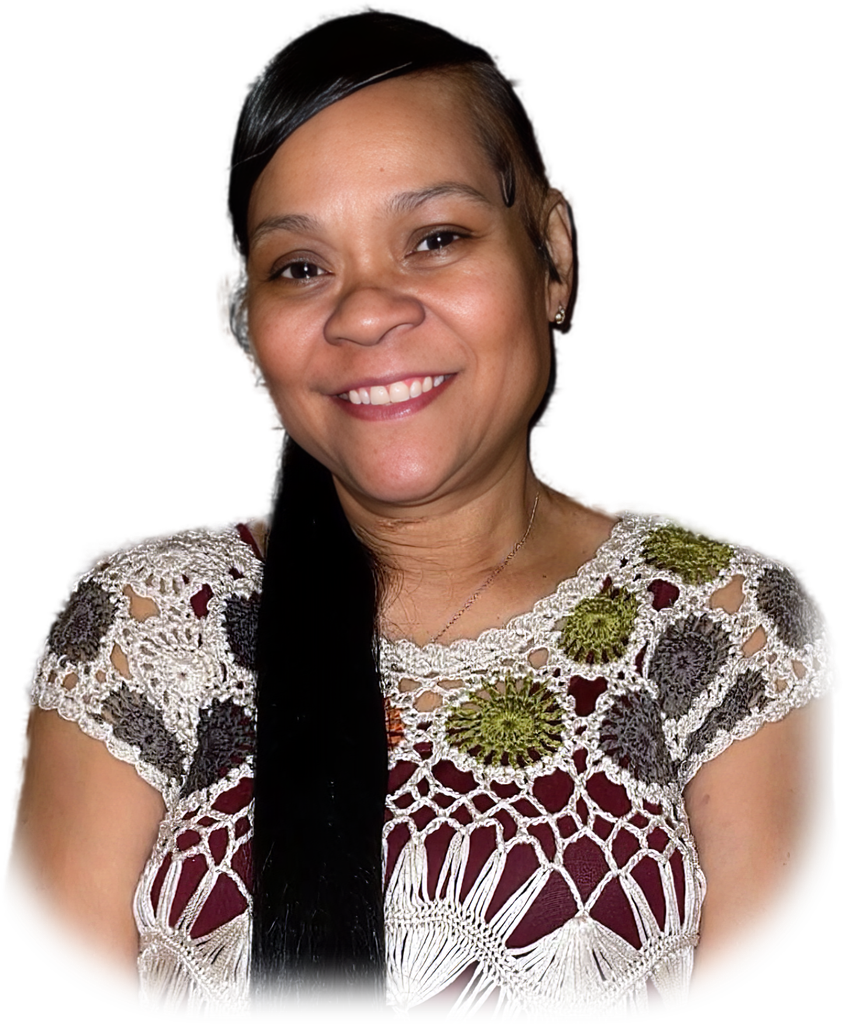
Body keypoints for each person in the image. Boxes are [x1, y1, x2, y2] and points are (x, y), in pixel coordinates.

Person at [5, 10, 837, 1020]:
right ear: (243, 328)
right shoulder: (142, 619)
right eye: (300, 267)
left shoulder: (725, 617)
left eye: (436, 239)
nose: (364, 312)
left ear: (555, 256)